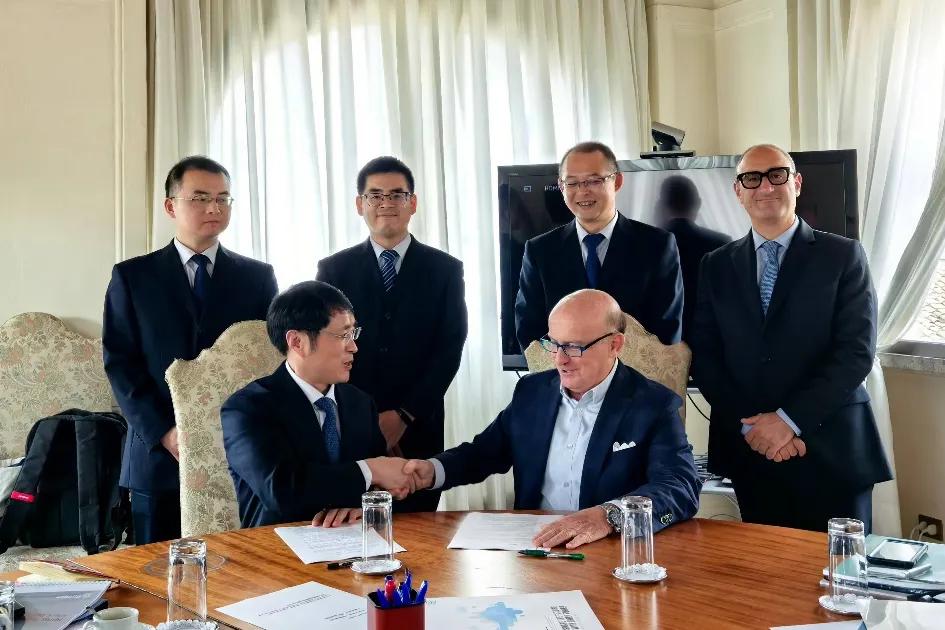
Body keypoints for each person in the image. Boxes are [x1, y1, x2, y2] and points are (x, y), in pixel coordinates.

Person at [690, 143, 892, 532]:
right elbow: (706, 355)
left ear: (796, 183)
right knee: (766, 568)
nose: (765, 186)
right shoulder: (716, 265)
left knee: (841, 569)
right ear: (738, 191)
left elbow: (854, 353)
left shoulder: (842, 255)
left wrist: (788, 422)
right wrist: (755, 428)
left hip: (832, 450)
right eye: (752, 178)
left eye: (776, 175)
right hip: (752, 452)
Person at [404, 289, 700, 549]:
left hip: (611, 549)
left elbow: (680, 485)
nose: (559, 359)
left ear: (614, 345)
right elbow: (485, 452)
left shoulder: (653, 404)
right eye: (554, 344)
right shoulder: (531, 391)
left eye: (573, 347)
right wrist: (433, 470)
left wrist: (608, 516)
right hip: (535, 547)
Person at [103, 156, 278, 544]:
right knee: (155, 567)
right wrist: (165, 432)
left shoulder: (257, 277)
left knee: (238, 566)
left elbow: (269, 361)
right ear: (171, 206)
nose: (214, 208)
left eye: (223, 198)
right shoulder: (133, 277)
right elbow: (120, 363)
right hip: (157, 454)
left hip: (238, 453)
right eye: (200, 198)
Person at [316, 156, 467, 512]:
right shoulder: (333, 270)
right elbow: (324, 347)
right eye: (375, 195)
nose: (386, 203)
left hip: (420, 426)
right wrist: (369, 420)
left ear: (412, 203)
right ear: (360, 204)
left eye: (397, 194)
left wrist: (404, 415)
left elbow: (449, 349)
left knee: (419, 530)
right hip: (350, 423)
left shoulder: (445, 270)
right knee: (350, 522)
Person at [221, 281, 417, 529]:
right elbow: (281, 490)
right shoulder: (247, 408)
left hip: (354, 541)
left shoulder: (359, 402)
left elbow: (384, 487)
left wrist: (363, 506)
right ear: (297, 342)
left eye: (353, 333)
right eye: (343, 335)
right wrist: (369, 470)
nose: (353, 346)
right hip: (275, 544)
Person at [514, 141, 684, 350]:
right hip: (561, 369)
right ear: (561, 187)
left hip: (634, 371)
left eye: (594, 181)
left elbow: (666, 334)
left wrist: (609, 368)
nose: (583, 191)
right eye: (572, 183)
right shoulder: (540, 251)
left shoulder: (657, 246)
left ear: (617, 181)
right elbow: (529, 333)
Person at [656, 175, 731, 343]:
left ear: (661, 205)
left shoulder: (646, 243)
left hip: (661, 344)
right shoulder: (722, 244)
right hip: (711, 341)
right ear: (698, 203)